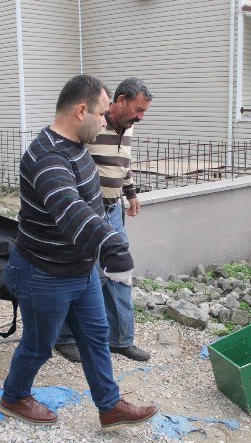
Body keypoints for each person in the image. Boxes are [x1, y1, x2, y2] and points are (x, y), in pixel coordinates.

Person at [0, 75, 158, 431]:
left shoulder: (76, 147)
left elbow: (92, 202)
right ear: (81, 110)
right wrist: (110, 243)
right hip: (44, 273)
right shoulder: (47, 156)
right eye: (101, 114)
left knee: (96, 335)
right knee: (40, 345)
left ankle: (109, 405)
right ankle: (14, 395)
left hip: (80, 270)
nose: (105, 121)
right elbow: (70, 210)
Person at [55, 77, 153, 363]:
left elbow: (125, 163)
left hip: (114, 211)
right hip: (86, 213)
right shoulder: (92, 125)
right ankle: (66, 338)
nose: (141, 116)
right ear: (120, 101)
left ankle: (121, 339)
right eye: (138, 109)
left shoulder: (129, 128)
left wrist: (131, 193)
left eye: (144, 111)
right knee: (80, 274)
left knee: (120, 273)